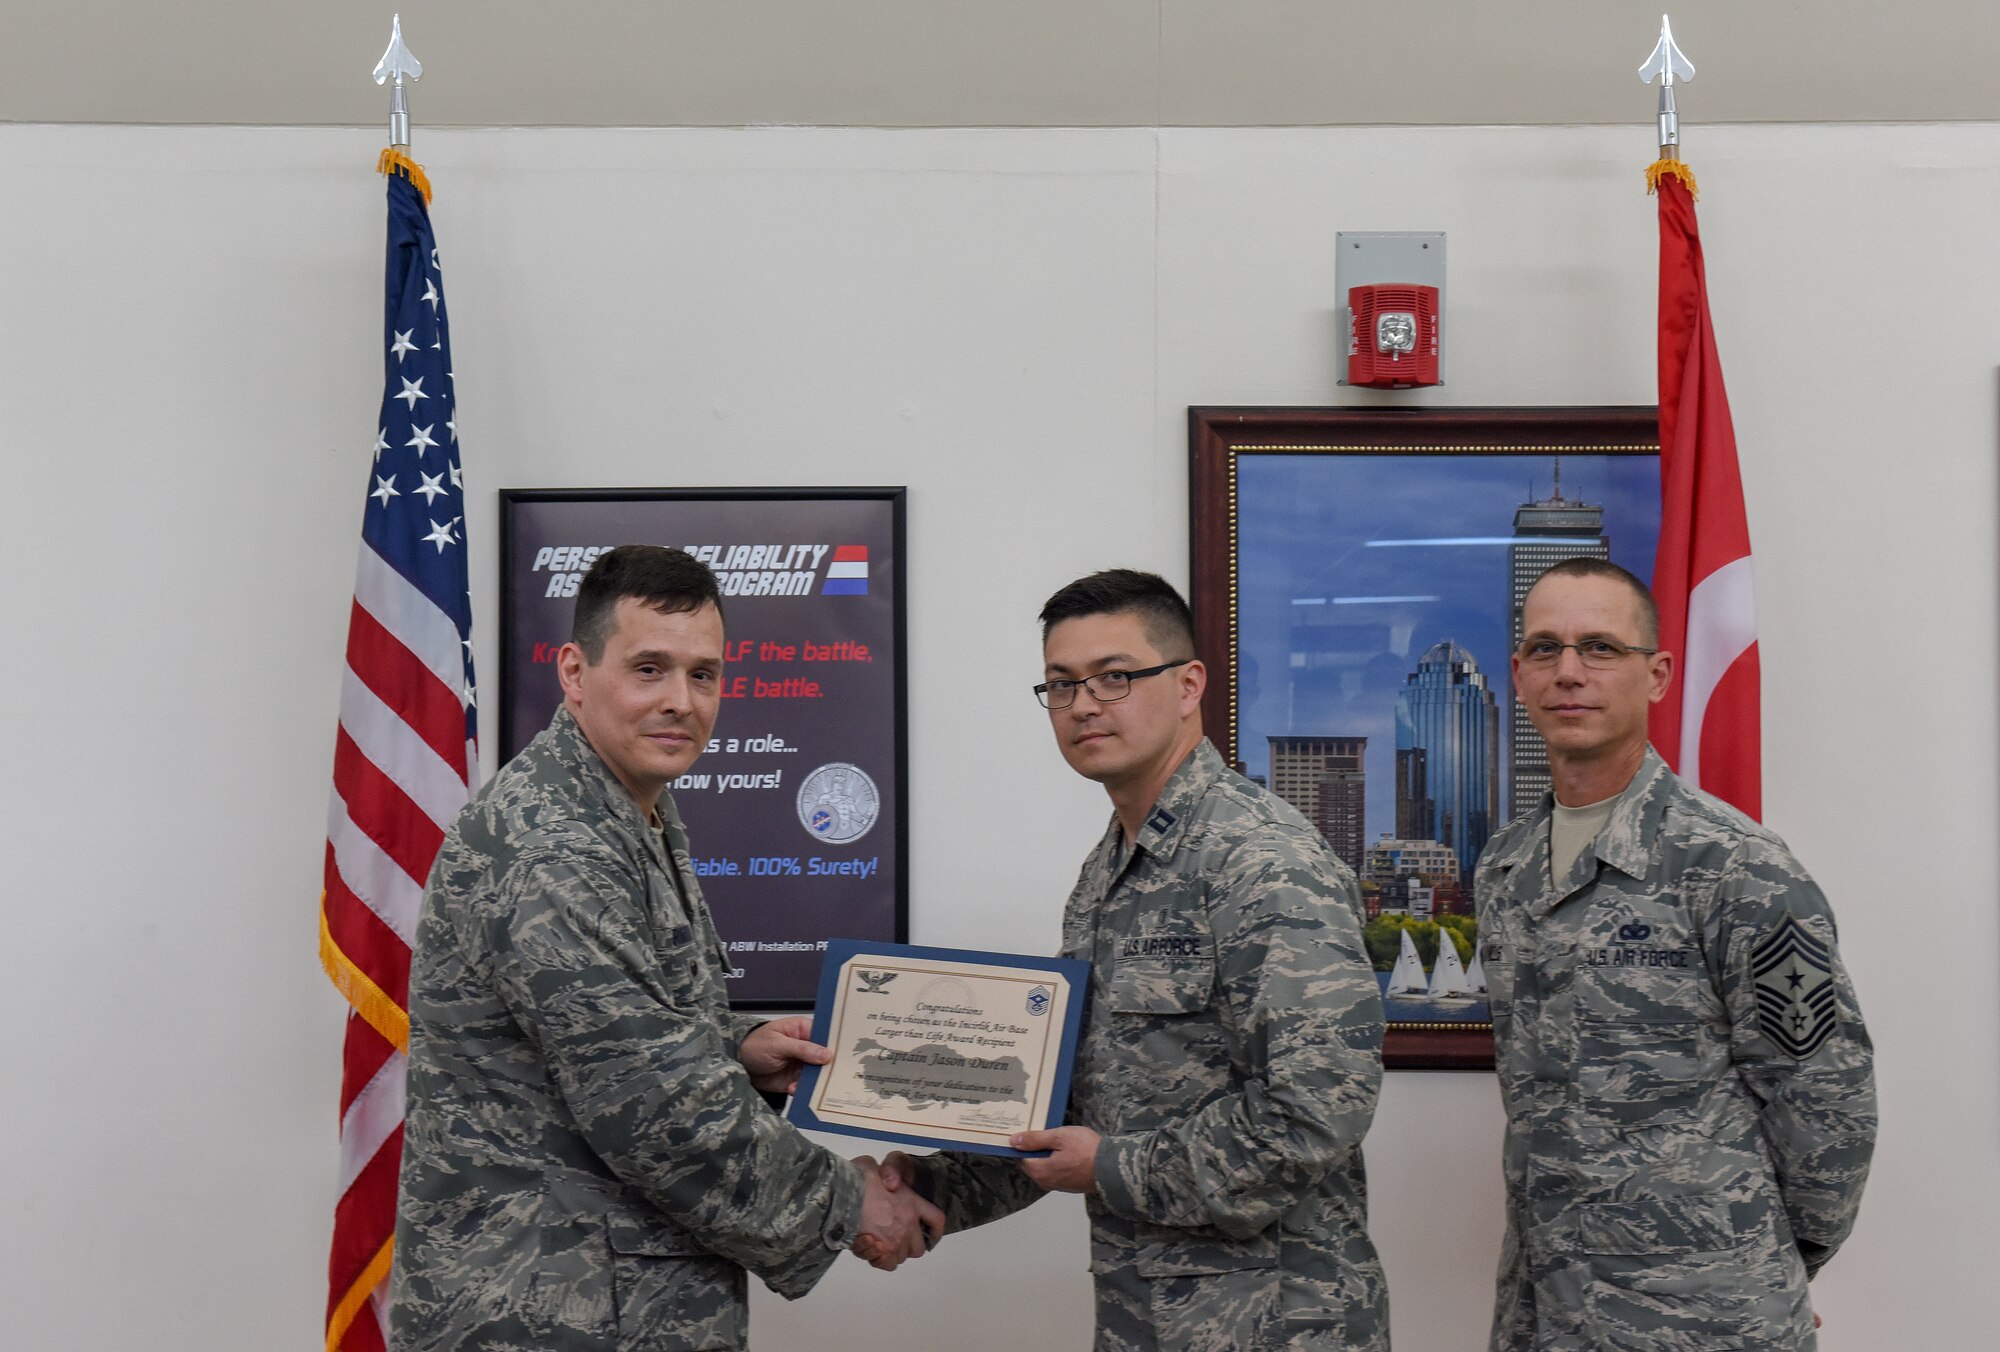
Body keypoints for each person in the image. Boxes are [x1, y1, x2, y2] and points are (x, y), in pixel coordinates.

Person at [392, 545, 940, 1351]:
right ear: (575, 672)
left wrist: (735, 1046)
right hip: (538, 1314)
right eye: (649, 668)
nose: (681, 701)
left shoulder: (624, 803)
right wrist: (851, 1203)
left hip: (601, 1297)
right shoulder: (553, 843)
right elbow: (655, 1109)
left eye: (704, 674)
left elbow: (616, 1028)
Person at [882, 569, 1389, 1351]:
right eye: (1061, 684)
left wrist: (1112, 1167)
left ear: (1189, 685)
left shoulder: (1262, 861)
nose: (1084, 704)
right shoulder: (1110, 872)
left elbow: (1315, 1114)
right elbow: (1079, 1101)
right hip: (1146, 1315)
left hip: (1276, 1322)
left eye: (1114, 677)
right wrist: (931, 1188)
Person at [1476, 558, 1875, 1351]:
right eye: (1546, 649)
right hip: (1545, 1303)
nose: (1569, 673)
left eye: (1599, 648)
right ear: (1518, 675)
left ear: (1656, 675)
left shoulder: (1736, 866)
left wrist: (1770, 1259)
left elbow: (1826, 1099)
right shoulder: (1504, 867)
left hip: (1704, 1311)